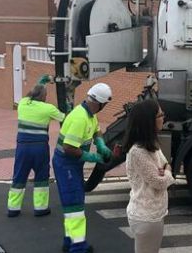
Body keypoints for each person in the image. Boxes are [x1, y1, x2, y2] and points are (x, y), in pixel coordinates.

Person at [52, 83, 114, 253]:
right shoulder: (80, 118)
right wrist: (92, 156)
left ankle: (69, 241)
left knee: (72, 205)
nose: (104, 107)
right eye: (105, 105)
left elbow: (97, 131)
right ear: (99, 103)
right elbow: (68, 147)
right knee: (75, 206)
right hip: (66, 164)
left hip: (71, 164)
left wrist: (101, 144)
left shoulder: (89, 115)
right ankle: (78, 247)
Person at [123, 99, 175, 253]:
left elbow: (166, 164)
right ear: (149, 121)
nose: (163, 118)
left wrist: (165, 170)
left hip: (153, 212)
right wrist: (168, 173)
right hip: (146, 216)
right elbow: (158, 181)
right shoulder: (138, 151)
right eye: (160, 115)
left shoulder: (151, 144)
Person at [7, 83, 65, 217]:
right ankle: (40, 208)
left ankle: (13, 208)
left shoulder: (22, 103)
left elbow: (29, 95)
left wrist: (40, 82)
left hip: (22, 147)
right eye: (46, 95)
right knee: (41, 177)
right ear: (44, 96)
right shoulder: (48, 108)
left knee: (19, 176)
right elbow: (64, 118)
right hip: (40, 147)